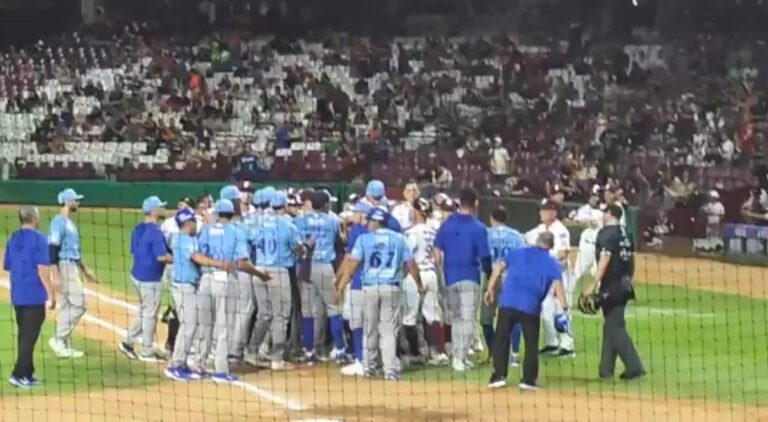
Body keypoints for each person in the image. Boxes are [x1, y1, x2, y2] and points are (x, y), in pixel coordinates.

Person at [335, 207, 425, 381]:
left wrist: (341, 287)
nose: (367, 224)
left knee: (370, 329)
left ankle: (369, 367)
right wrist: (419, 285)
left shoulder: (364, 239)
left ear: (374, 222)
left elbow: (352, 266)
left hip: (370, 288)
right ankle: (390, 370)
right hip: (391, 288)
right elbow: (411, 264)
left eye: (369, 221)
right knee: (389, 331)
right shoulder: (399, 238)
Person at [191, 198, 265, 383]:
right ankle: (220, 369)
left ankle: (199, 364)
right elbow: (242, 262)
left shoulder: (206, 229)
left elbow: (197, 254)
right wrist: (258, 274)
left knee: (205, 324)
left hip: (205, 279)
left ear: (217, 213)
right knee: (224, 326)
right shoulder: (236, 231)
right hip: (225, 280)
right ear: (232, 214)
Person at [485, 232, 568, 390]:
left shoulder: (518, 252)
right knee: (531, 344)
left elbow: (498, 267)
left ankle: (498, 377)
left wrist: (490, 288)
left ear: (537, 241)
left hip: (508, 302)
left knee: (501, 338)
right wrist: (565, 308)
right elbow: (558, 287)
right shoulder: (552, 263)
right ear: (551, 246)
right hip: (530, 307)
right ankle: (528, 380)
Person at [164, 209, 234, 382]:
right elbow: (197, 257)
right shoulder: (184, 240)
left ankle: (182, 363)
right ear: (188, 223)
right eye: (194, 221)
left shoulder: (181, 238)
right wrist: (220, 264)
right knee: (189, 325)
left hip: (187, 286)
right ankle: (176, 365)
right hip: (184, 287)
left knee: (192, 325)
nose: (197, 224)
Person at [583, 205, 645, 381]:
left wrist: (593, 284)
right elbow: (631, 259)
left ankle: (634, 367)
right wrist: (630, 278)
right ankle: (606, 370)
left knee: (615, 327)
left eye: (604, 212)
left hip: (611, 285)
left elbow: (605, 259)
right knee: (611, 324)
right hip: (625, 284)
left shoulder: (606, 233)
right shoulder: (626, 233)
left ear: (609, 214)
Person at [434, 188, 491, 372]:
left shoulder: (447, 224)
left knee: (456, 319)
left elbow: (436, 251)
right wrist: (490, 278)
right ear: (476, 203)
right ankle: (460, 357)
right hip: (470, 277)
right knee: (468, 319)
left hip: (449, 277)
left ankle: (459, 357)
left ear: (459, 202)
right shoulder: (478, 228)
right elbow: (485, 257)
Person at [249, 191, 305, 371]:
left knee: (264, 314)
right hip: (278, 271)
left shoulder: (259, 223)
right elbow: (298, 249)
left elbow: (253, 244)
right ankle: (277, 358)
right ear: (285, 206)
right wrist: (304, 248)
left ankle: (252, 351)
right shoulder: (288, 224)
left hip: (258, 270)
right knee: (280, 316)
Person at [4, 206, 55, 388]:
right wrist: (51, 294)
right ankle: (17, 375)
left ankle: (27, 373)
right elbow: (43, 269)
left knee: (24, 335)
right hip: (33, 296)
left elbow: (8, 265)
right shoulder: (40, 239)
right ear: (35, 218)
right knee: (29, 337)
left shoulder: (13, 237)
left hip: (17, 295)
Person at [294, 191, 346, 364]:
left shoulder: (299, 220)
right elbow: (339, 243)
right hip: (324, 266)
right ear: (325, 204)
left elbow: (295, 244)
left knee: (307, 311)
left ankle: (309, 352)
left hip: (305, 266)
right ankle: (340, 351)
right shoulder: (333, 220)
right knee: (333, 308)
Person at [119, 196, 172, 362]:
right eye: (161, 207)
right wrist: (179, 259)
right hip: (150, 278)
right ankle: (147, 351)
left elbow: (134, 251)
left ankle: (128, 342)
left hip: (136, 275)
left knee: (144, 310)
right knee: (150, 314)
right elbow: (161, 257)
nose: (164, 209)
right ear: (154, 211)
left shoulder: (138, 228)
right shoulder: (156, 231)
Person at [49, 188, 97, 359]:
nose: (78, 202)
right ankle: (58, 339)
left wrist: (85, 270)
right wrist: (55, 274)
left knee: (68, 305)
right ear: (67, 201)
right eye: (75, 200)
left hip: (72, 266)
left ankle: (61, 344)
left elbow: (74, 251)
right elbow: (53, 247)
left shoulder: (69, 223)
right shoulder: (58, 221)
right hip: (65, 267)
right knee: (79, 304)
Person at [403, 198, 448, 366]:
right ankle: (439, 353)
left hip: (415, 274)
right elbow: (438, 258)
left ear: (416, 212)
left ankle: (416, 354)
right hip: (431, 273)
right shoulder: (433, 231)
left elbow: (408, 259)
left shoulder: (412, 232)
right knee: (433, 315)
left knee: (409, 317)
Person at [525, 200, 573, 357]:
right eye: (541, 210)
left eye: (545, 210)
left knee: (561, 310)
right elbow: (526, 239)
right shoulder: (540, 229)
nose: (542, 213)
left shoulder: (561, 230)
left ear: (554, 212)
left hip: (560, 275)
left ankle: (567, 344)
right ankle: (551, 342)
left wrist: (547, 261)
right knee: (545, 309)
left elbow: (564, 253)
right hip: (544, 276)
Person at [480, 207, 525, 366]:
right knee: (513, 317)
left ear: (491, 218)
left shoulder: (486, 233)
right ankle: (514, 354)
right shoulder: (516, 235)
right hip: (511, 277)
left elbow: (481, 256)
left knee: (486, 318)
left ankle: (494, 353)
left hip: (491, 277)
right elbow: (522, 258)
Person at [337, 201, 372, 376]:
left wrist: (339, 282)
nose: (353, 216)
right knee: (374, 324)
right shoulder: (379, 232)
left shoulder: (358, 231)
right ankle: (375, 360)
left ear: (363, 214)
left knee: (357, 323)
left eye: (356, 213)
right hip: (377, 285)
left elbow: (350, 260)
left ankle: (360, 359)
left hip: (359, 283)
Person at [570, 188, 604, 295]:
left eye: (596, 196)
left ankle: (600, 295)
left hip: (599, 246)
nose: (594, 198)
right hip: (586, 245)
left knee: (599, 271)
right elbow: (577, 220)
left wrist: (592, 221)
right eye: (592, 196)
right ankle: (569, 292)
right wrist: (588, 221)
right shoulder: (583, 209)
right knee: (578, 271)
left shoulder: (604, 210)